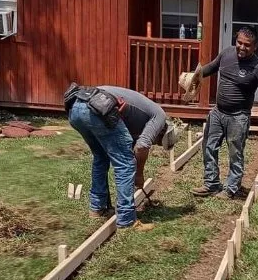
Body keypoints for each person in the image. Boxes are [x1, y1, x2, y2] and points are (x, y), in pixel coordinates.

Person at [64, 84, 178, 231]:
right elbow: (142, 146)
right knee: (126, 164)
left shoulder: (142, 117)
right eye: (158, 141)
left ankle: (97, 208)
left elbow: (127, 141)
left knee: (100, 157)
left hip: (76, 105)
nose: (155, 143)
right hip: (99, 106)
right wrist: (139, 174)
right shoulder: (160, 116)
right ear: (163, 132)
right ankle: (126, 220)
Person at [185, 26, 258, 199]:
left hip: (238, 116)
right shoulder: (226, 54)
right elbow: (211, 67)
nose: (242, 47)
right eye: (239, 42)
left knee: (235, 152)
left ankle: (231, 188)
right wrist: (192, 76)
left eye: (247, 45)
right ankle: (211, 184)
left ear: (255, 47)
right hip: (218, 112)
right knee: (209, 146)